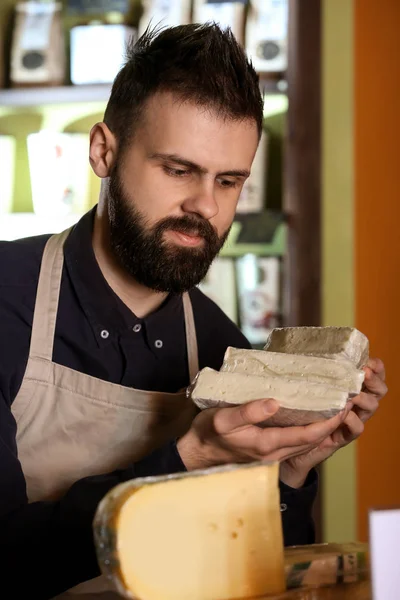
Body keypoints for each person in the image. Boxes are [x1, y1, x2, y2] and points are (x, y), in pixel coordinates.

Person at [0, 23, 387, 599]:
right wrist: (193, 456)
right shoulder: (8, 299)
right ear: (103, 150)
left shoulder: (219, 346)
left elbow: (254, 572)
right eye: (178, 170)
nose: (204, 206)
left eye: (228, 181)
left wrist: (288, 468)